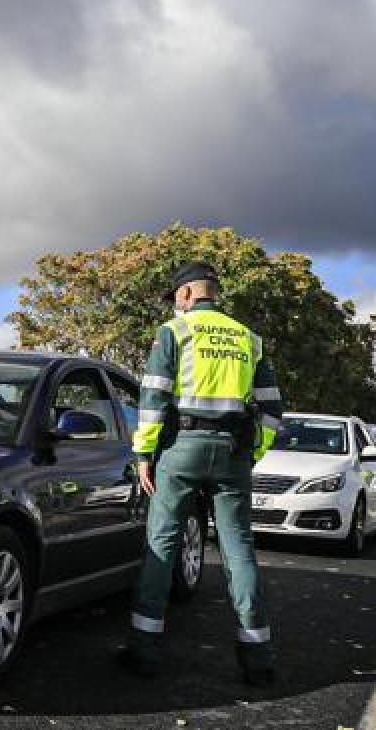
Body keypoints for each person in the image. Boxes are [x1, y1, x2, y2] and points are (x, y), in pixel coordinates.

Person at [119, 262, 284, 685]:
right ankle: (258, 655)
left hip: (182, 450)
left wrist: (143, 454)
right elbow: (271, 408)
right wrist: (252, 455)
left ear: (188, 294)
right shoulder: (249, 338)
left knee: (162, 542)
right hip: (232, 452)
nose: (176, 303)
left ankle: (144, 650)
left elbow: (153, 396)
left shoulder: (174, 332)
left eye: (176, 295)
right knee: (239, 550)